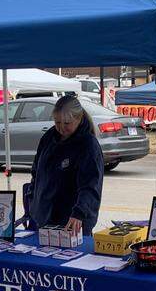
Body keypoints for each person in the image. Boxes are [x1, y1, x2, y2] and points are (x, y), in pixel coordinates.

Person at [28, 95, 104, 234]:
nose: (61, 128)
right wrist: (32, 200)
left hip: (72, 221)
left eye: (67, 123)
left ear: (79, 119)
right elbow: (36, 172)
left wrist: (79, 213)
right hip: (44, 217)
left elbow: (91, 185)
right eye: (57, 122)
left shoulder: (87, 144)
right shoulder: (48, 137)